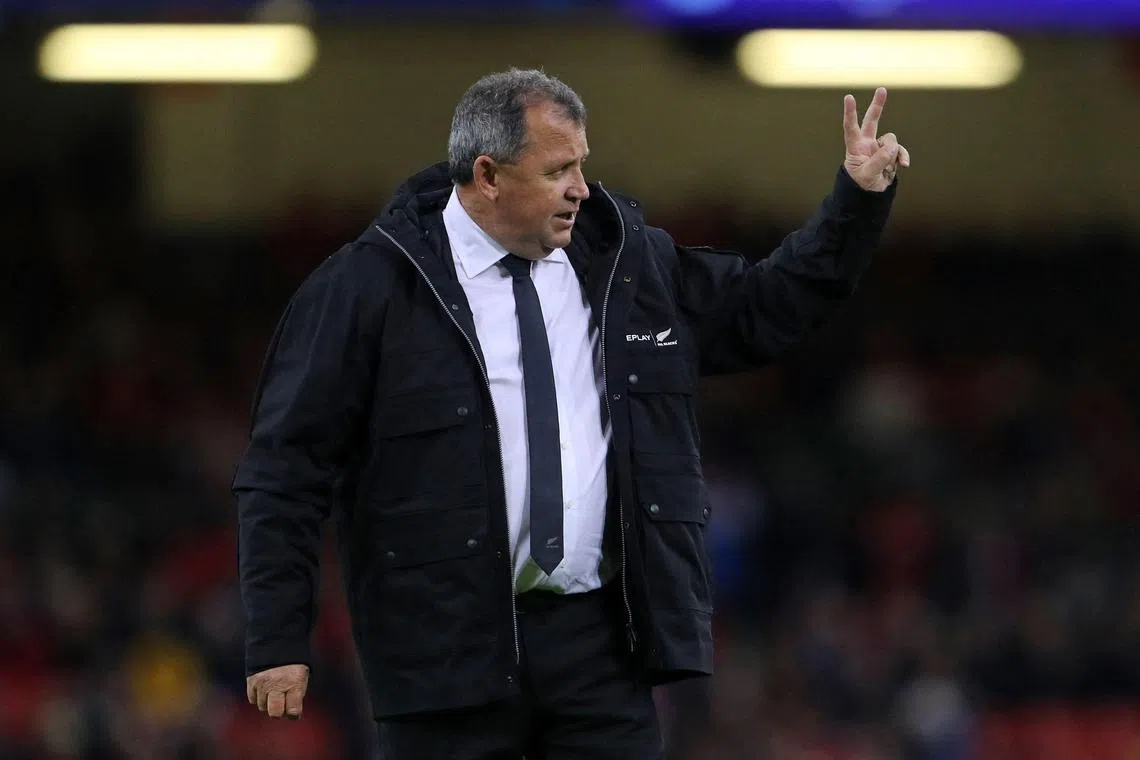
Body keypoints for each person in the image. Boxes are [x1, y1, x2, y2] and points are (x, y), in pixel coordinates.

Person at [234, 68, 909, 759]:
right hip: (443, 651)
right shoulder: (370, 286)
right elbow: (285, 470)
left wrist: (855, 202)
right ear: (488, 176)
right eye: (558, 170)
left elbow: (766, 308)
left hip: (600, 648)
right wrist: (279, 639)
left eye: (582, 165)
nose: (582, 188)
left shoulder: (626, 263)